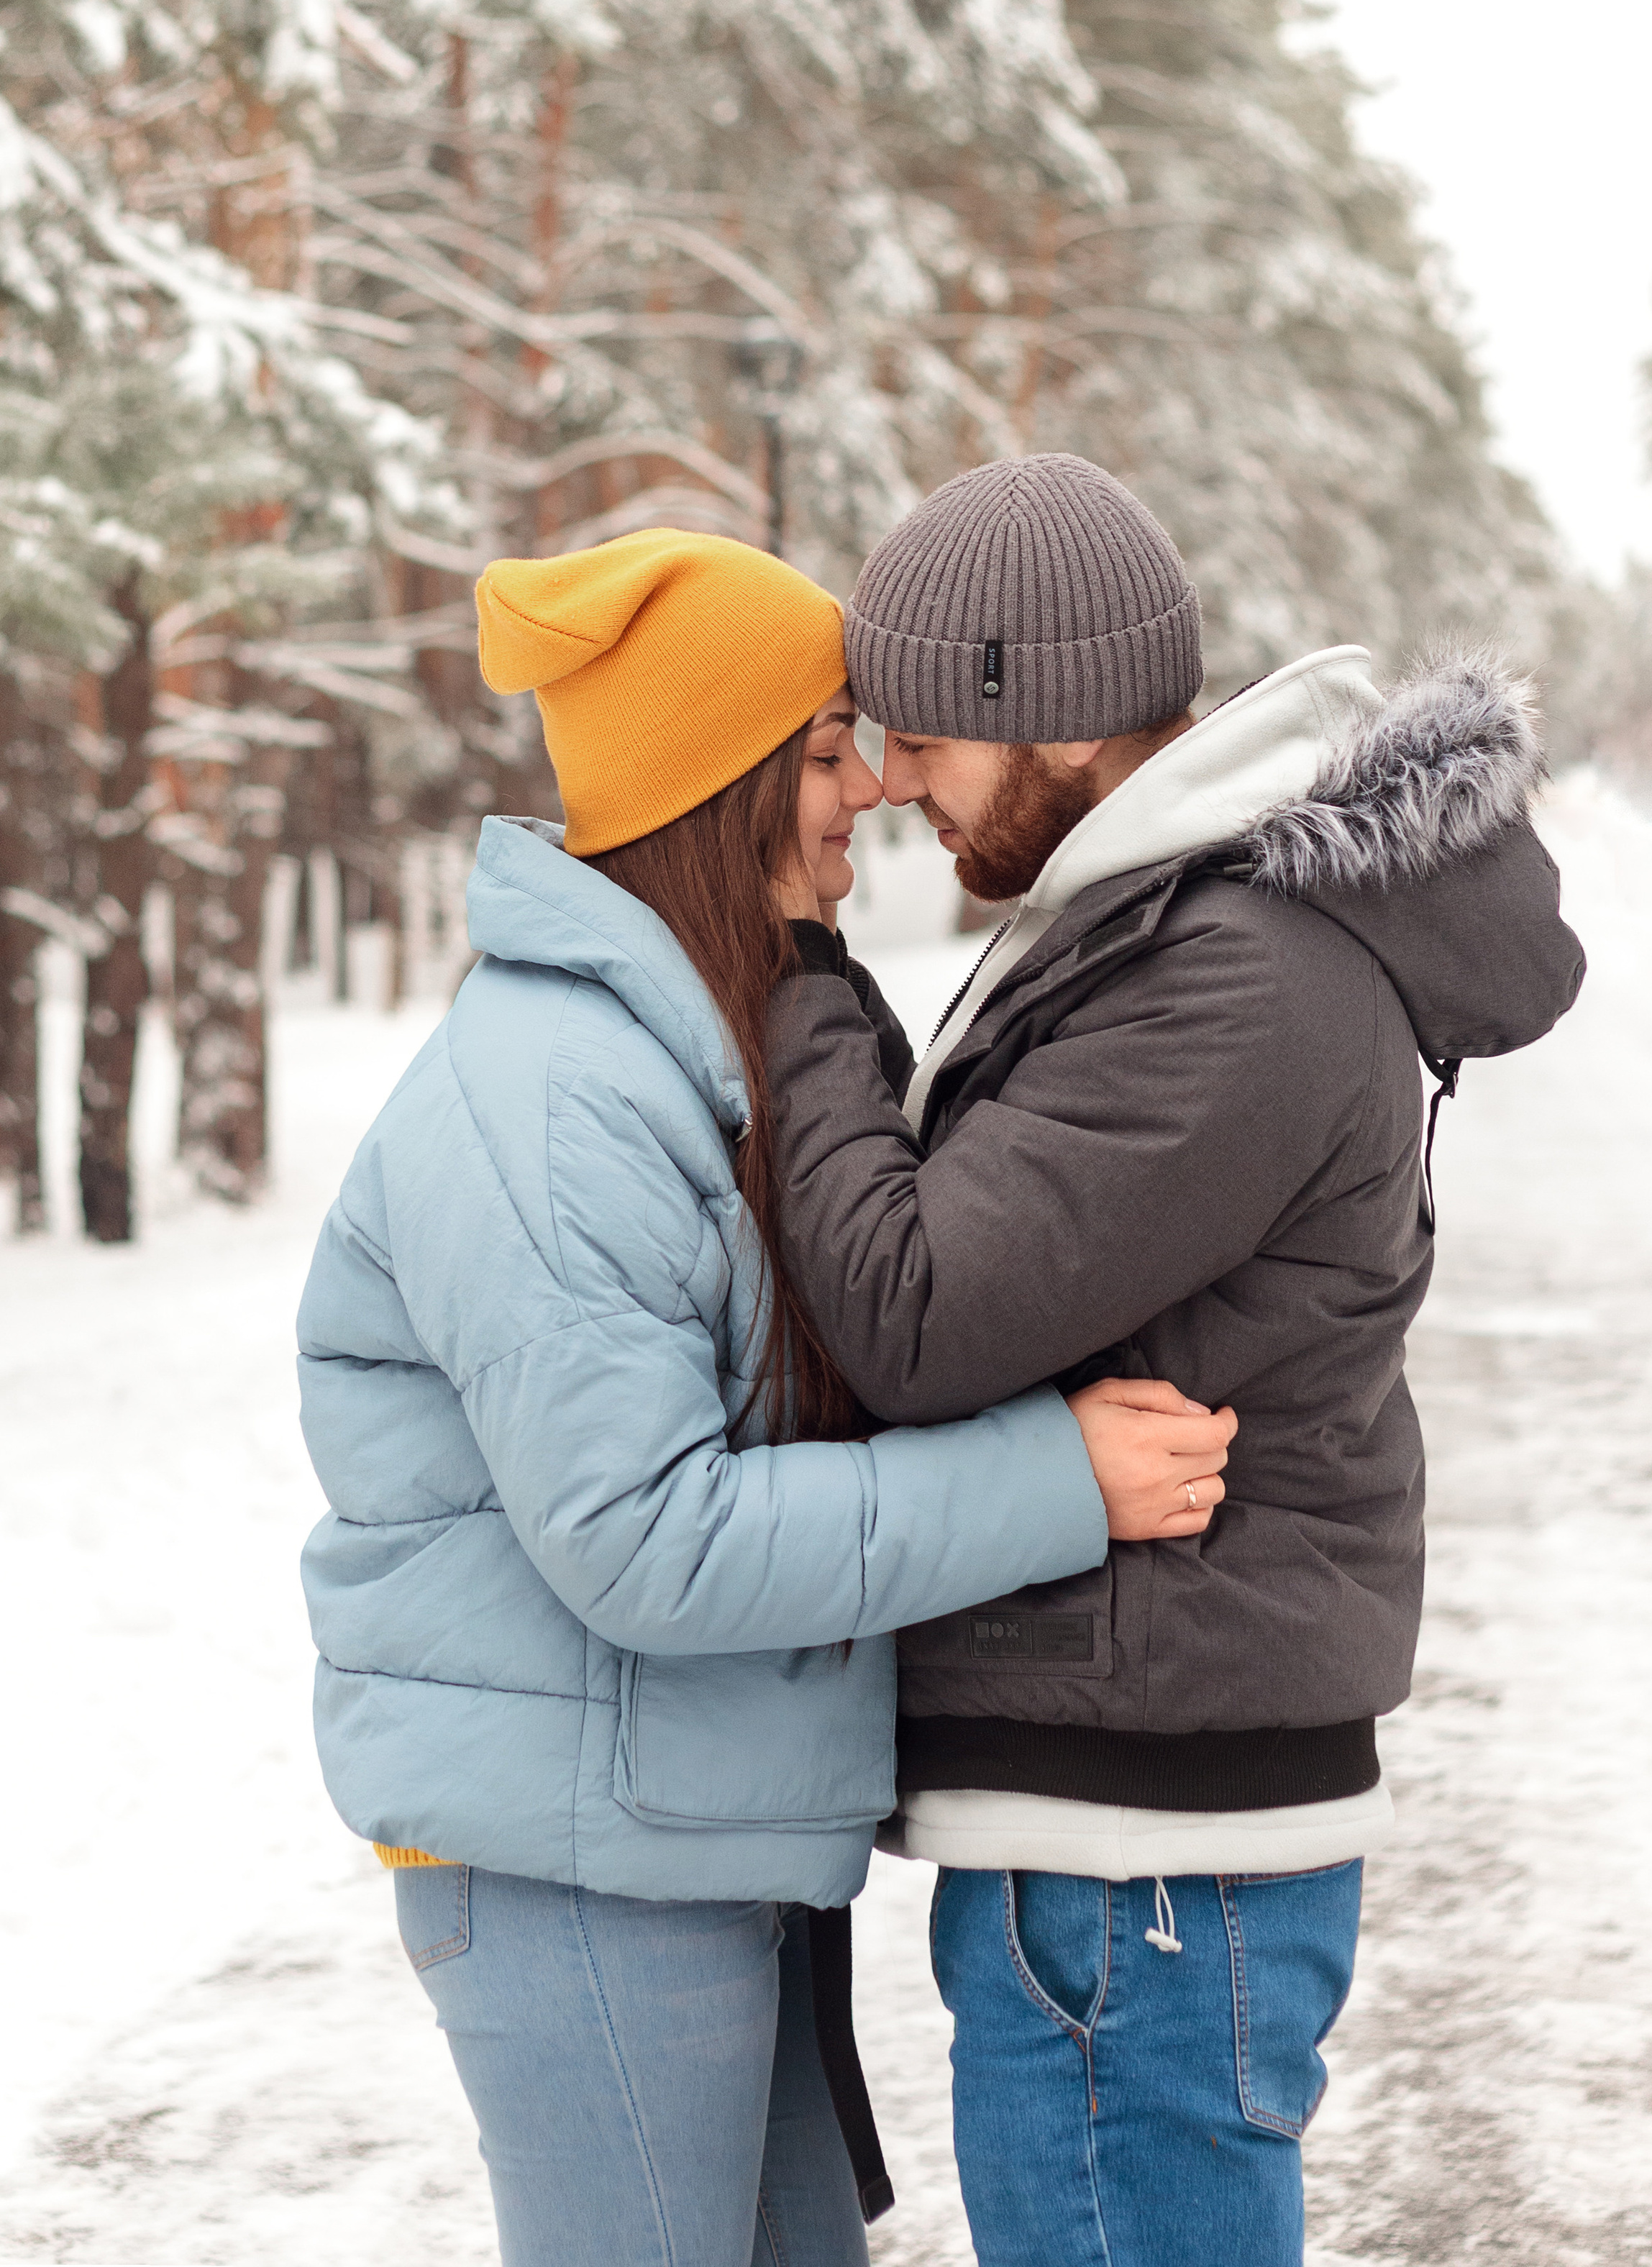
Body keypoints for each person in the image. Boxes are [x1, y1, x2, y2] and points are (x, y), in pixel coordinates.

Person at [296, 525, 1234, 2267]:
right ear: (715, 787)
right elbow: (644, 1540)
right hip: (580, 1871)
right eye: (818, 756)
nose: (870, 791)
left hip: (686, 1839)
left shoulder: (682, 1052)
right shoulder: (556, 1098)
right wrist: (1050, 1482)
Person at [765, 454, 1589, 2267]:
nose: (888, 777)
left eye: (915, 731)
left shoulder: (1233, 978)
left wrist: (800, 978)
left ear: (1037, 714)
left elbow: (913, 1309)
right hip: (1129, 1831)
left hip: (1141, 1858)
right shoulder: (1167, 930)